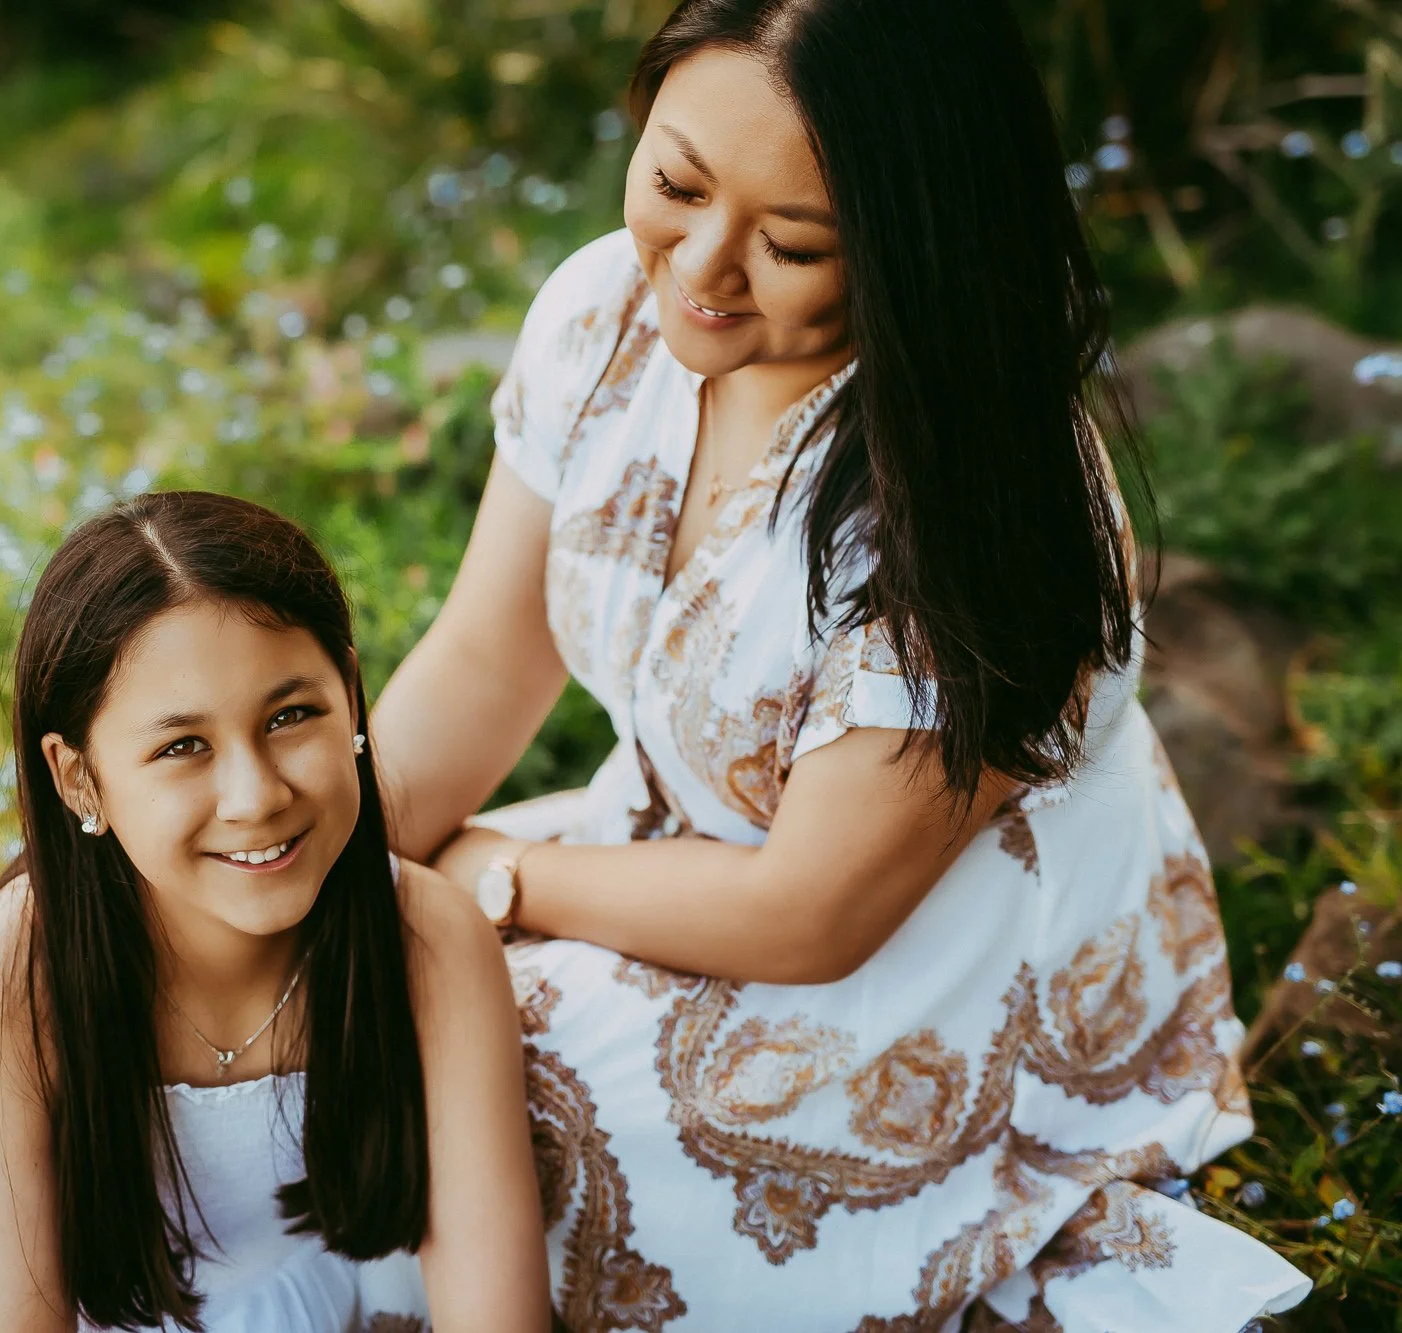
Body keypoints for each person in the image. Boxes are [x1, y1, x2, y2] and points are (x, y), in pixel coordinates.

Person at [365, 0, 1315, 1328]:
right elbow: (481, 656)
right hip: (674, 865)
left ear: (917, 247)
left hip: (913, 979)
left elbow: (812, 915)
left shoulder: (982, 482)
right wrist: (324, 868)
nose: (701, 265)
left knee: (432, 1113)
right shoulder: (602, 313)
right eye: (676, 182)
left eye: (796, 243)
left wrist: (497, 878)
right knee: (273, 1009)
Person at [0, 492, 549, 1333]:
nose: (255, 796)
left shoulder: (427, 941)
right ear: (79, 779)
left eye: (291, 716)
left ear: (353, 705)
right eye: (183, 746)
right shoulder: (9, 982)